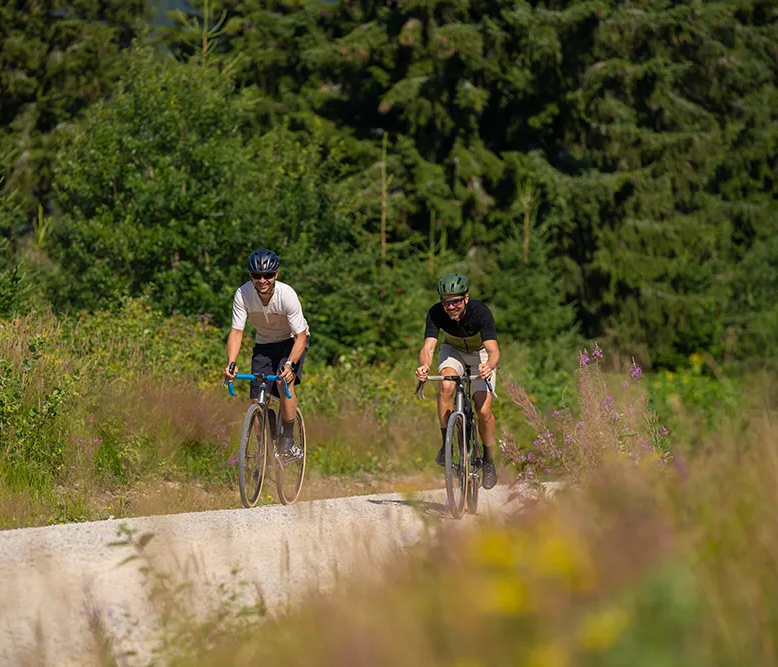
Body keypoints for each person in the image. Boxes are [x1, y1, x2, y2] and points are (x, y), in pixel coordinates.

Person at [415, 272, 500, 490]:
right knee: (446, 385)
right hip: (453, 351)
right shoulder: (435, 313)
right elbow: (428, 347)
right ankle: (447, 445)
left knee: (483, 410)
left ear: (466, 299)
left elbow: (493, 350)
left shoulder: (481, 313)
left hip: (480, 354)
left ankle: (489, 460)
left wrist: (489, 366)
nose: (451, 307)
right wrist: (425, 366)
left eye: (456, 302)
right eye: (446, 303)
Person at [223, 249, 310, 461]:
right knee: (257, 396)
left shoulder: (287, 295)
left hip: (291, 341)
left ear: (276, 275)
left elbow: (300, 337)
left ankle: (288, 443)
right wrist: (231, 364)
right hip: (264, 343)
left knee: (283, 383)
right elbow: (236, 332)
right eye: (256, 276)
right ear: (250, 276)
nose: (262, 280)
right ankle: (266, 446)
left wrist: (290, 365)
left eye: (268, 275)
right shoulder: (243, 294)